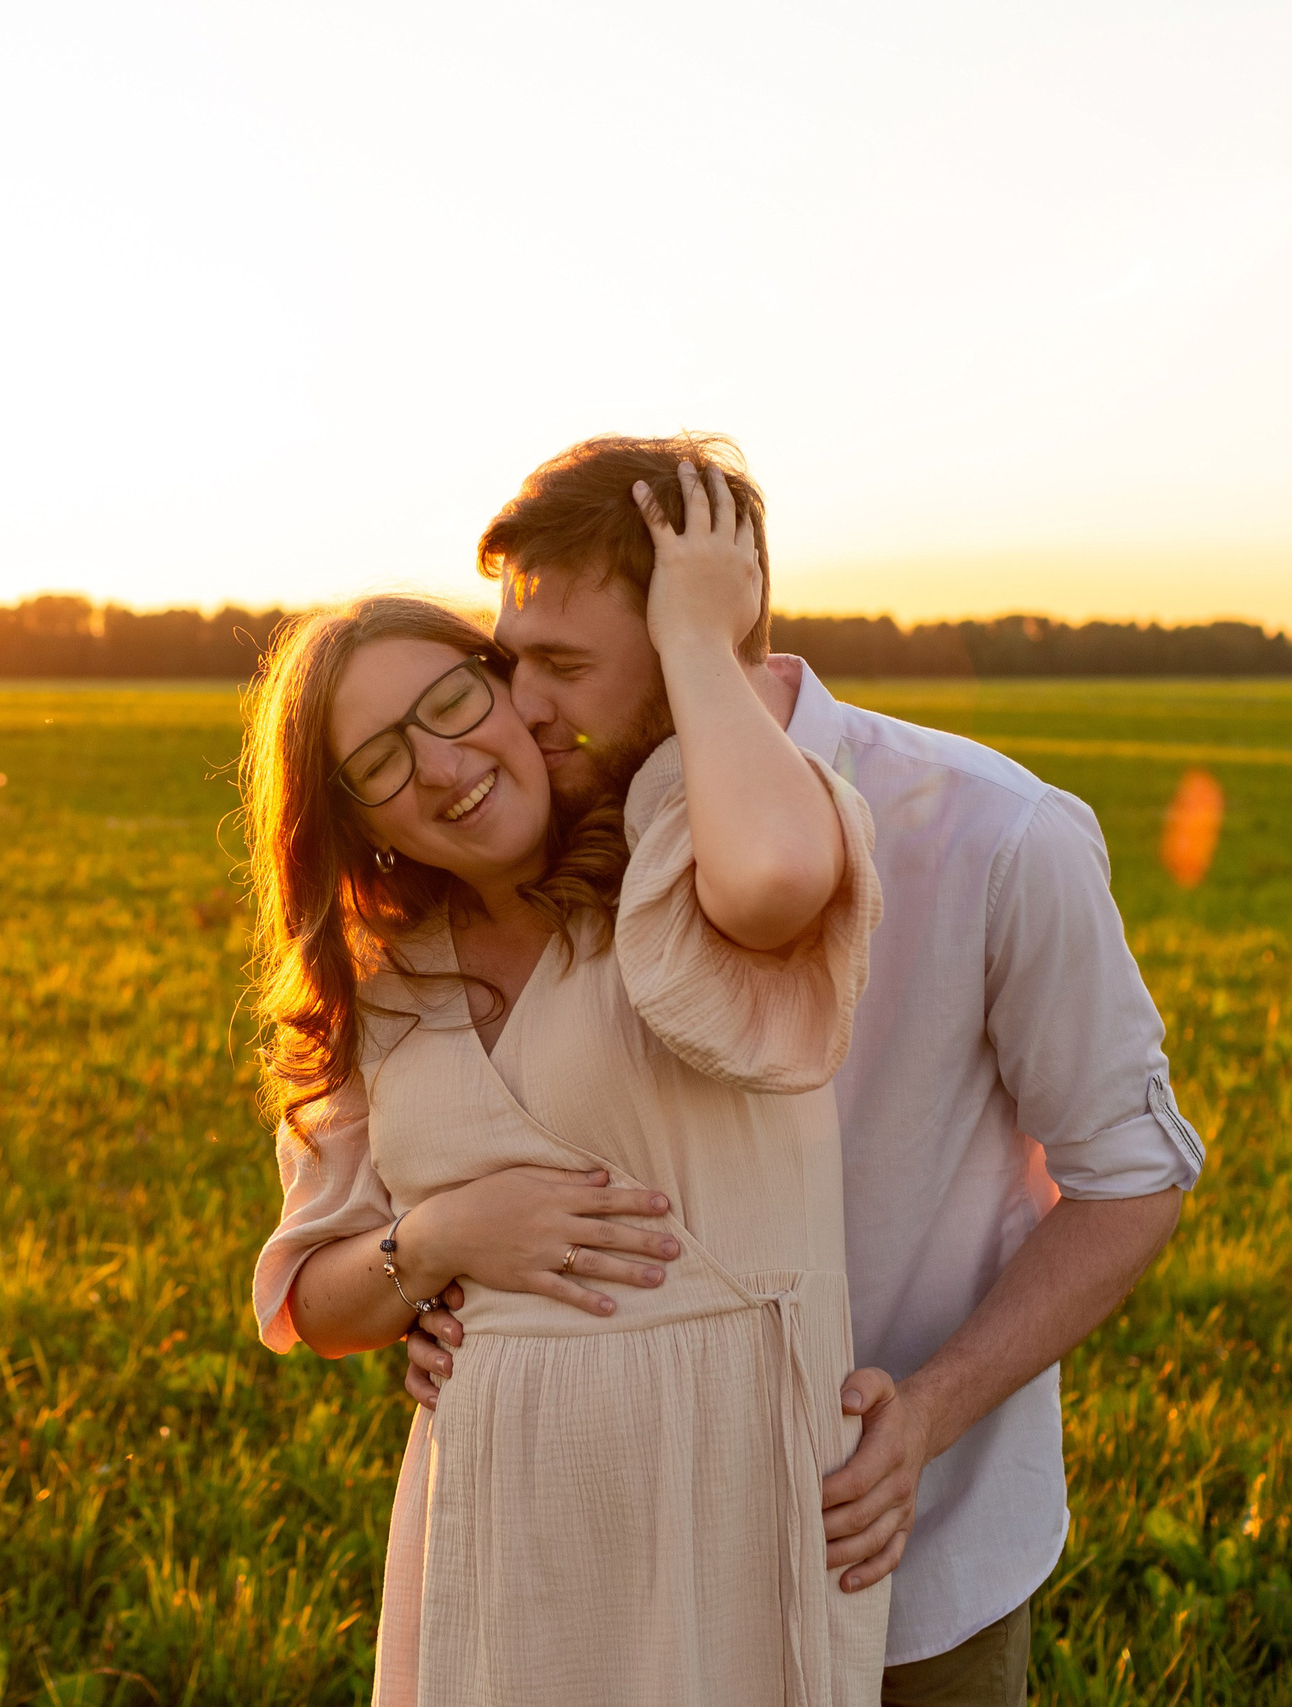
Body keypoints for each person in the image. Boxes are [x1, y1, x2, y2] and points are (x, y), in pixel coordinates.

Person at [394, 432, 1205, 1705]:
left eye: (562, 664)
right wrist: (454, 1292)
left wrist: (929, 1414)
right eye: (510, 662)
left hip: (895, 1540)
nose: (523, 707)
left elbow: (1132, 1181)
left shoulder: (1001, 834)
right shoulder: (556, 845)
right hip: (639, 1571)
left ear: (702, 629)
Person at [244, 464, 890, 1704]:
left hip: (727, 1489)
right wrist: (432, 1239)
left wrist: (696, 633)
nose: (439, 767)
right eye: (378, 761)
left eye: (451, 700)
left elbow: (772, 887)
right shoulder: (383, 983)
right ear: (351, 817)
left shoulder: (674, 854)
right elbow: (316, 1302)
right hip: (497, 1520)